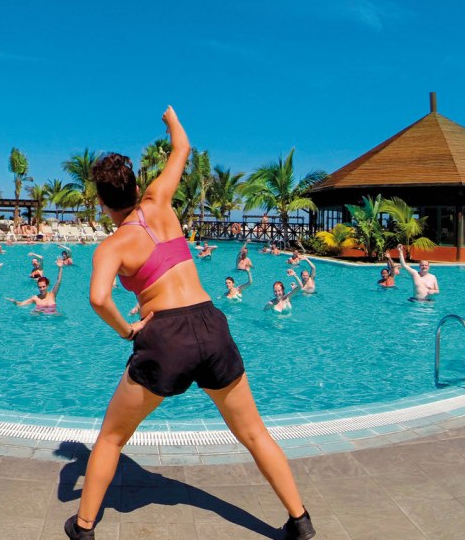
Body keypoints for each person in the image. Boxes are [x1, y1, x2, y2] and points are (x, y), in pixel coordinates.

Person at [64, 107, 314, 540]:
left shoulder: (112, 246)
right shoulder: (159, 201)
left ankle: (83, 527)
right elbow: (182, 147)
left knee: (111, 439)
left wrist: (127, 330)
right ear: (137, 187)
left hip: (165, 336)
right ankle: (300, 520)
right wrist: (171, 120)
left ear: (100, 202)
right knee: (253, 432)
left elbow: (99, 299)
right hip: (211, 323)